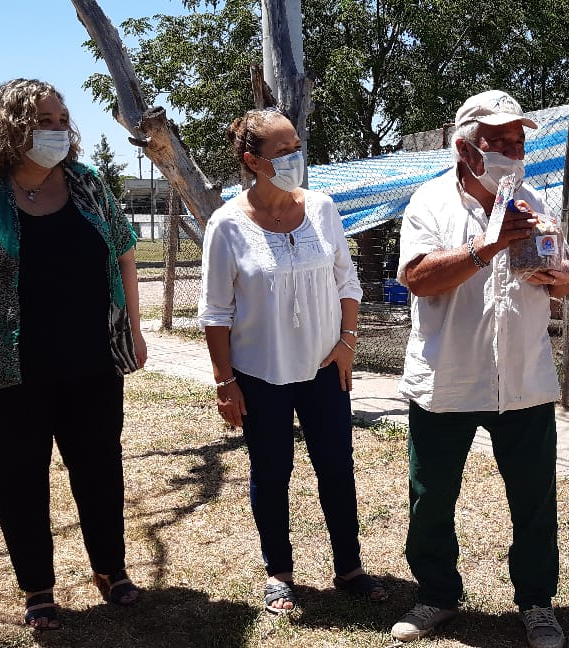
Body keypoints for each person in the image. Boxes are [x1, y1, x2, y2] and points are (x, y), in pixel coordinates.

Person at [0, 78, 147, 630]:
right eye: (43, 121)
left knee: (100, 467)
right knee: (18, 477)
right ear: (9, 127)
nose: (57, 131)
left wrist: (135, 332)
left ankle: (111, 570)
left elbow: (124, 256)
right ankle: (38, 589)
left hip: (92, 361)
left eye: (61, 120)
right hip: (9, 369)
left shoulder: (87, 184)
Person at [390, 90, 569, 648]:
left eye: (519, 142)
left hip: (523, 378)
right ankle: (437, 595)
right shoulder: (429, 202)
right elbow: (417, 279)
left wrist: (552, 274)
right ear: (465, 148)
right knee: (431, 496)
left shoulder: (536, 201)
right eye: (500, 142)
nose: (514, 152)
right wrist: (485, 247)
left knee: (534, 499)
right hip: (448, 376)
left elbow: (559, 286)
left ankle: (536, 603)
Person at [198, 108, 386, 615]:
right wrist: (225, 382)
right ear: (252, 160)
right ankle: (279, 573)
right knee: (271, 470)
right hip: (260, 374)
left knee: (337, 467)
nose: (294, 158)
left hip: (325, 367)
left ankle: (349, 566)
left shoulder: (322, 208)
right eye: (282, 151)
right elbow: (215, 312)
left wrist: (347, 342)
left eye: (297, 147)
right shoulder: (227, 224)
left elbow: (347, 280)